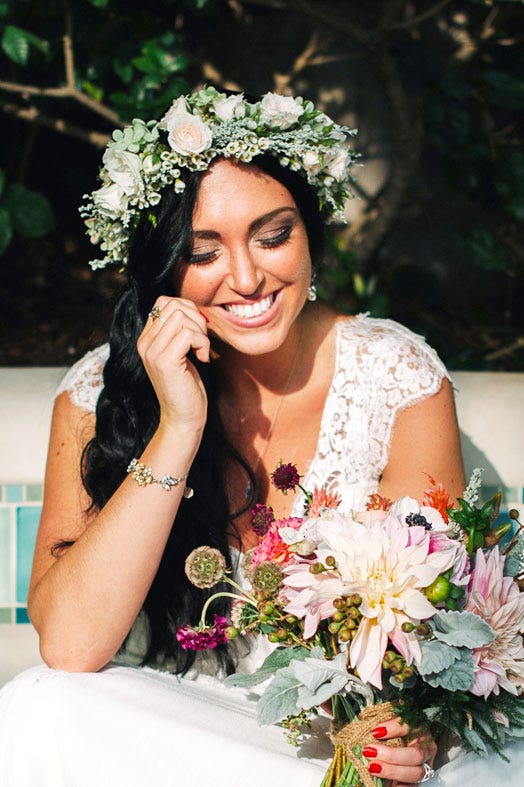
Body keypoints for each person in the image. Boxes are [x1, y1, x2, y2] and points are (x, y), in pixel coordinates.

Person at [0, 88, 520, 787]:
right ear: (160, 267)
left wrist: (405, 725)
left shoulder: (395, 376)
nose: (246, 278)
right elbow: (68, 643)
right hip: (186, 733)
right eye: (203, 252)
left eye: (273, 236)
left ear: (310, 234)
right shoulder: (98, 394)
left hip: (340, 740)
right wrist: (178, 427)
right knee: (41, 706)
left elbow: (434, 636)